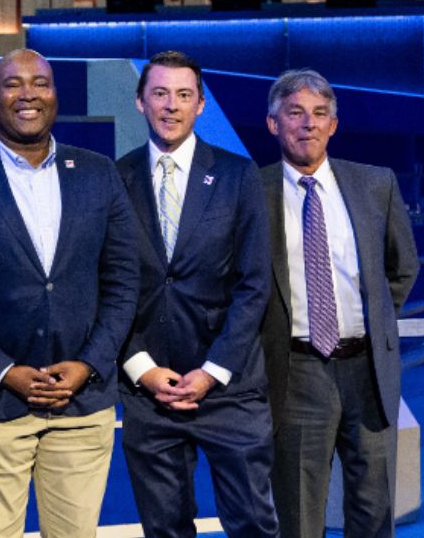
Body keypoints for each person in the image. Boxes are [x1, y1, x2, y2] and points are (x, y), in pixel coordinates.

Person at [0, 48, 140, 538]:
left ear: (55, 95)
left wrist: (89, 363)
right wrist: (2, 370)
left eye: (40, 83)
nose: (28, 95)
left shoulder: (99, 173)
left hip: (82, 405)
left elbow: (124, 281)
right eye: (14, 84)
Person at [117, 51, 278, 538]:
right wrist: (141, 369)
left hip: (229, 386)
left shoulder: (237, 174)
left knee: (253, 524)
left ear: (201, 105)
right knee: (164, 530)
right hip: (150, 392)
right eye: (160, 94)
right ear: (140, 101)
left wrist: (211, 373)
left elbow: (255, 283)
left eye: (183, 95)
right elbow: (106, 286)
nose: (171, 106)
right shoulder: (114, 178)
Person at [258, 68, 418, 538]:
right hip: (297, 370)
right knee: (301, 515)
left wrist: (373, 323)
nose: (308, 123)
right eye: (295, 113)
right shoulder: (250, 190)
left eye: (319, 114)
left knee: (373, 511)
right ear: (273, 124)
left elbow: (403, 267)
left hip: (368, 370)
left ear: (333, 124)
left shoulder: (375, 184)